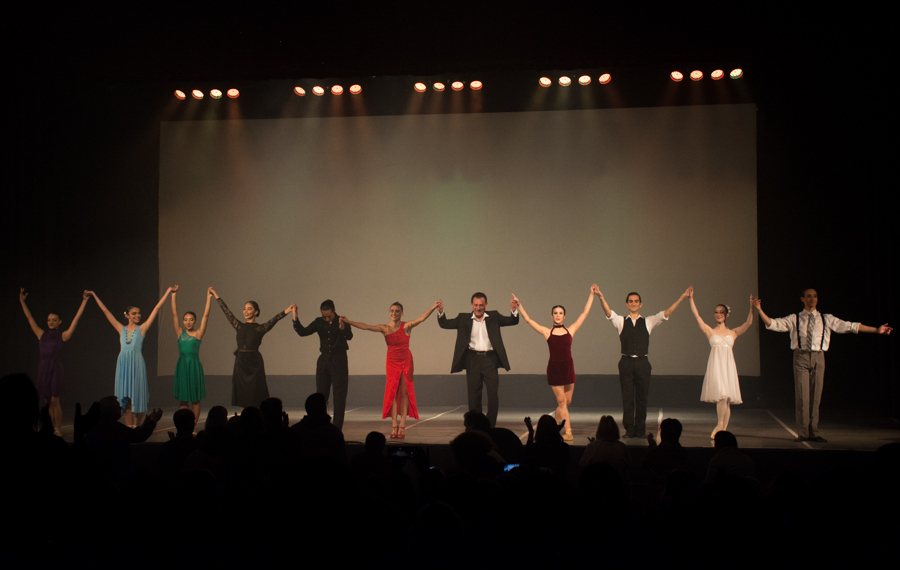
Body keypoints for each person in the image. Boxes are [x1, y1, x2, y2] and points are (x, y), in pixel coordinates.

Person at [754, 289, 892, 443]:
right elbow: (773, 323)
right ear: (802, 299)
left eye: (814, 296)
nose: (812, 299)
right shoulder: (795, 318)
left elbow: (851, 326)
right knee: (803, 396)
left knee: (815, 397)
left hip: (819, 357)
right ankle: (803, 432)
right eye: (808, 296)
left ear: (817, 299)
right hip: (801, 357)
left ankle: (814, 432)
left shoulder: (826, 319)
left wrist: (876, 330)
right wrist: (759, 310)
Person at [594, 285, 690, 438]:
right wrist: (601, 297)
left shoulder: (648, 322)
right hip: (626, 362)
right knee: (627, 398)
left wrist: (681, 298)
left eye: (636, 301)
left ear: (640, 304)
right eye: (630, 301)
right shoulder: (621, 321)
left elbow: (666, 313)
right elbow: (608, 312)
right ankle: (629, 429)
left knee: (641, 397)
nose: (633, 303)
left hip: (642, 363)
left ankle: (640, 429)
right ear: (627, 304)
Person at [340, 300, 439, 438]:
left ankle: (402, 426)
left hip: (406, 361)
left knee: (404, 394)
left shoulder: (406, 326)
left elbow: (421, 318)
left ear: (401, 313)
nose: (394, 313)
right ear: (389, 313)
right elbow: (366, 327)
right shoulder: (385, 328)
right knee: (392, 393)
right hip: (392, 363)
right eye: (392, 311)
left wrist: (433, 307)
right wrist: (349, 322)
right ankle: (394, 426)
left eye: (397, 311)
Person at [512, 287, 595, 441]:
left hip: (568, 369)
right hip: (555, 370)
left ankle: (556, 423)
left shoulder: (570, 331)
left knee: (567, 402)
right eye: (555, 313)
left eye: (560, 313)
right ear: (552, 316)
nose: (558, 315)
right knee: (562, 402)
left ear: (564, 316)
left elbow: (585, 313)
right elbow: (528, 320)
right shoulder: (547, 332)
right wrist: (520, 305)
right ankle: (568, 431)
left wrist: (591, 294)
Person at [90, 288, 173, 427]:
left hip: (137, 364)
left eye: (139, 313)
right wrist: (93, 295)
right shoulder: (120, 329)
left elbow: (157, 308)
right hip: (123, 364)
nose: (137, 315)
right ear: (127, 315)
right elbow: (105, 311)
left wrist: (168, 291)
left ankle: (137, 426)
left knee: (137, 395)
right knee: (125, 397)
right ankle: (129, 427)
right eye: (134, 313)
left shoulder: (142, 328)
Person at [437, 293, 519, 428]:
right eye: (476, 305)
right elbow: (445, 324)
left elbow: (512, 321)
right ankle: (476, 426)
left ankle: (490, 426)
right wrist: (441, 312)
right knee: (474, 395)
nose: (478, 308)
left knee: (493, 395)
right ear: (471, 305)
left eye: (481, 305)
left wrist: (514, 310)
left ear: (486, 305)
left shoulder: (494, 316)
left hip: (490, 359)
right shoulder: (463, 318)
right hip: (472, 360)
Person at [19, 288, 90, 436]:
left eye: (54, 320)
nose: (51, 322)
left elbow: (76, 319)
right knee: (46, 402)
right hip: (43, 369)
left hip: (55, 370)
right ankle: (48, 428)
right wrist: (21, 301)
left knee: (55, 401)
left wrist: (84, 301)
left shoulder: (63, 335)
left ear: (59, 322)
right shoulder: (41, 334)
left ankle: (58, 429)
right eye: (49, 320)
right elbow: (29, 317)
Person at [688, 287, 756, 439]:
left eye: (721, 312)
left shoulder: (733, 332)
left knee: (726, 399)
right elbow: (696, 316)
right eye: (716, 312)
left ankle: (723, 428)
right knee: (722, 396)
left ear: (726, 315)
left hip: (728, 367)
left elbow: (749, 323)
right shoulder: (710, 331)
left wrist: (752, 307)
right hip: (716, 367)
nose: (718, 314)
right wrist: (691, 298)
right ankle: (719, 425)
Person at [209, 288, 292, 411]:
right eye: (244, 308)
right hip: (241, 363)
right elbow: (227, 311)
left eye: (249, 308)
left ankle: (256, 422)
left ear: (256, 312)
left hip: (254, 363)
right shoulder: (239, 326)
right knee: (243, 395)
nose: (245, 311)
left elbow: (274, 320)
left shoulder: (260, 328)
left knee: (255, 395)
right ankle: (244, 424)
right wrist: (216, 295)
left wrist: (287, 310)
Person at [293, 300, 353, 431]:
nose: (326, 318)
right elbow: (303, 332)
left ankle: (337, 429)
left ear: (334, 311)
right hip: (324, 360)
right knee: (321, 395)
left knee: (339, 396)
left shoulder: (342, 320)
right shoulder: (319, 322)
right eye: (324, 316)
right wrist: (295, 318)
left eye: (328, 316)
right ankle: (321, 427)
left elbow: (349, 336)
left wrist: (343, 328)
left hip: (339, 360)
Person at [170, 285, 213, 424]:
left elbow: (206, 315)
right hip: (182, 366)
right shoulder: (179, 333)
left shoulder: (198, 334)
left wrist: (208, 298)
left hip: (194, 366)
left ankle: (193, 426)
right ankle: (185, 425)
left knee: (195, 398)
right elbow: (174, 314)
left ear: (195, 321)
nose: (188, 322)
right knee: (183, 398)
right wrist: (173, 295)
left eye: (191, 319)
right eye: (186, 319)